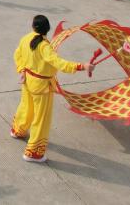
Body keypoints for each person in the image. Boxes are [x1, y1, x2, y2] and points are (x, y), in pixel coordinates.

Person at [11, 14, 89, 163]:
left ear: (33, 26)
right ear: (48, 29)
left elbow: (17, 55)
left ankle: (18, 130)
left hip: (27, 80)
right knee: (41, 119)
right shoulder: (45, 46)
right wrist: (82, 66)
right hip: (41, 86)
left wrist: (21, 70)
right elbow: (59, 63)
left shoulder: (25, 38)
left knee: (26, 107)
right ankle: (33, 153)